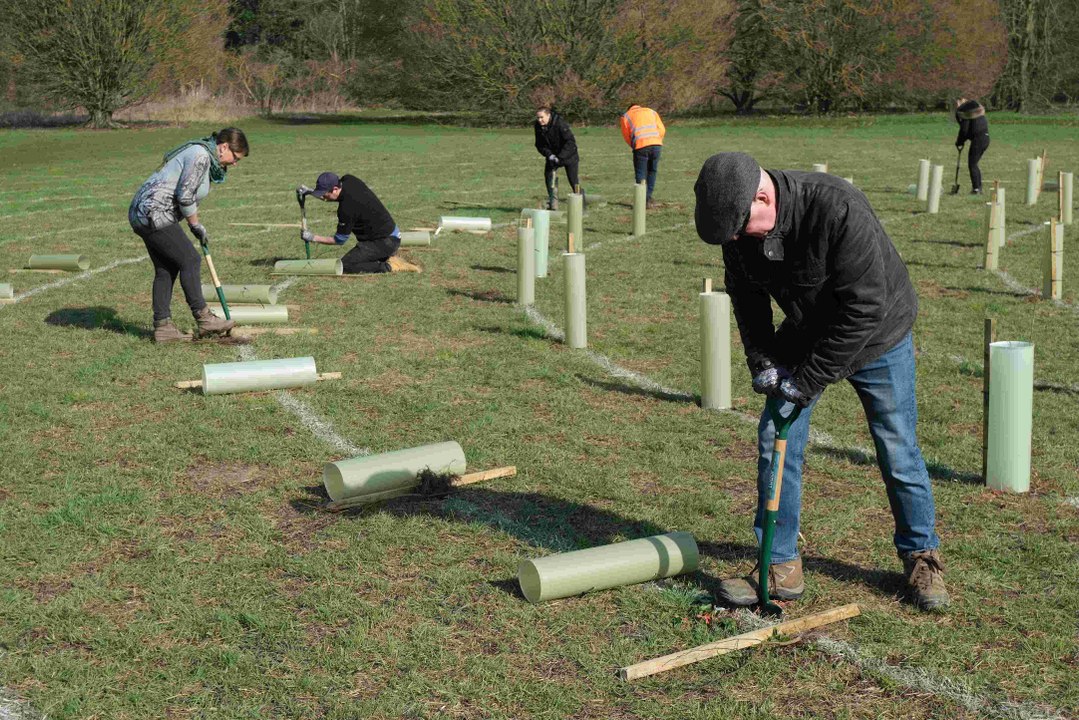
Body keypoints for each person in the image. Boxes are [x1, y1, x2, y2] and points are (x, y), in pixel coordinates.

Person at [693, 152, 949, 612]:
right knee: (776, 436)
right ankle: (780, 564)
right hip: (806, 329)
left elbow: (863, 309)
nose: (735, 240)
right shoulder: (738, 226)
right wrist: (763, 358)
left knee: (897, 445)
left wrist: (806, 381)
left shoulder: (837, 208)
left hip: (878, 334)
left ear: (763, 196)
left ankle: (921, 556)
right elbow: (746, 296)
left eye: (738, 228)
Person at [128, 127, 248, 343]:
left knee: (167, 268)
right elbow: (185, 196)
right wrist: (195, 225)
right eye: (235, 157)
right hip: (153, 211)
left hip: (143, 212)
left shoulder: (204, 155)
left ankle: (163, 328)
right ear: (224, 147)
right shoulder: (200, 155)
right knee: (190, 260)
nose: (235, 163)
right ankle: (204, 319)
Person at [300, 172, 420, 274]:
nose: (323, 197)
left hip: (385, 242)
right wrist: (310, 192)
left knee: (345, 265)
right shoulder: (349, 180)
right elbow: (339, 198)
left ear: (335, 189)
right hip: (391, 234)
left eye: (323, 193)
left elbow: (340, 240)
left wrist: (312, 237)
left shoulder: (346, 209)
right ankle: (385, 256)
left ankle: (390, 266)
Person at [533, 106, 580, 211]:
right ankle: (553, 205)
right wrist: (550, 155)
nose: (539, 120)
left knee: (574, 181)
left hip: (569, 155)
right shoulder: (538, 126)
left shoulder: (560, 124)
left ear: (548, 115)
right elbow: (539, 145)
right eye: (538, 118)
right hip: (553, 156)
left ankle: (581, 205)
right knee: (549, 178)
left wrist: (560, 157)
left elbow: (570, 142)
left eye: (542, 117)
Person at [619, 104, 665, 209]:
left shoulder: (626, 116)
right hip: (656, 144)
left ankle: (642, 200)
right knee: (652, 171)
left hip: (640, 146)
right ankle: (648, 197)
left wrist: (634, 145)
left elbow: (626, 135)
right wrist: (657, 140)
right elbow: (662, 129)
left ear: (630, 108)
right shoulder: (651, 111)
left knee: (641, 173)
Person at [955, 97, 990, 194]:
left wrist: (959, 142)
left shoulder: (966, 113)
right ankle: (978, 188)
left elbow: (964, 130)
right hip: (985, 138)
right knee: (974, 164)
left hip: (978, 140)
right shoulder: (976, 112)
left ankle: (977, 189)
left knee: (972, 164)